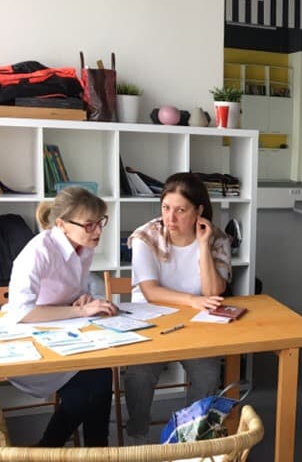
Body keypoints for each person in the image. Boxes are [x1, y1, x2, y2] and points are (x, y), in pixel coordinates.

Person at [5, 187, 118, 446]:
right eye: (89, 225)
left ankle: (91, 454)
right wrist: (80, 310)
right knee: (91, 388)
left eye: (100, 222)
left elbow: (69, 291)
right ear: (61, 224)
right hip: (31, 339)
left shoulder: (83, 247)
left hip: (65, 334)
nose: (98, 231)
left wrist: (83, 298)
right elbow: (21, 312)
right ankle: (66, 451)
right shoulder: (38, 252)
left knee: (100, 377)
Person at [124, 172, 231, 440]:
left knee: (208, 373)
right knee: (138, 373)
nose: (170, 218)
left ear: (199, 211)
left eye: (180, 210)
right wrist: (193, 300)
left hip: (196, 324)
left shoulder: (216, 238)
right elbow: (150, 291)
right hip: (151, 321)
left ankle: (189, 436)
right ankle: (137, 434)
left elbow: (213, 291)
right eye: (165, 208)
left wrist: (203, 246)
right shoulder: (146, 236)